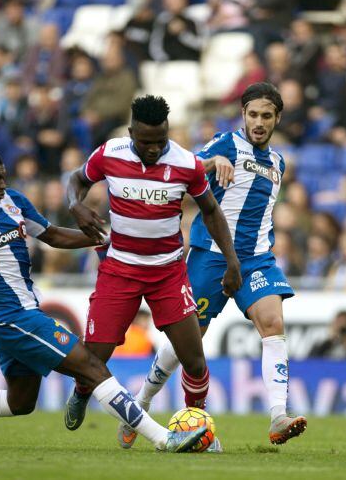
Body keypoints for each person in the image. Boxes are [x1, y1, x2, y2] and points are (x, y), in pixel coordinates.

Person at [0, 148, 206, 454]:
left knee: (20, 401)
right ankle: (163, 438)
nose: (2, 183)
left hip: (24, 313)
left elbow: (52, 235)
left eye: (4, 176)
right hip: (11, 318)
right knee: (92, 367)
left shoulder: (14, 201)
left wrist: (106, 238)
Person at [125, 83, 307, 448]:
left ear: (277, 119)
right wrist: (209, 163)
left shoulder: (278, 163)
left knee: (273, 322)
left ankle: (277, 416)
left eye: (266, 116)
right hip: (211, 256)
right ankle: (141, 402)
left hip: (256, 259)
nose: (258, 122)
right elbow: (181, 168)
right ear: (242, 114)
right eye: (253, 114)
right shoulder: (225, 145)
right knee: (185, 345)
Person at [63, 95, 242, 449]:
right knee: (94, 357)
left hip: (168, 272)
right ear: (131, 133)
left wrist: (232, 260)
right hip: (120, 269)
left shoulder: (186, 163)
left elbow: (211, 212)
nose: (153, 148)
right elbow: (76, 179)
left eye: (160, 140)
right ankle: (82, 390)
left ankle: (199, 429)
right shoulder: (109, 154)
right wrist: (75, 205)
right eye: (145, 142)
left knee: (194, 359)